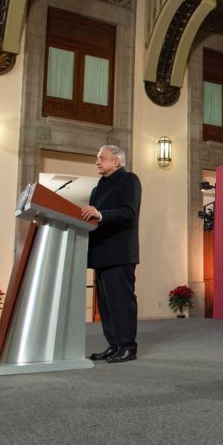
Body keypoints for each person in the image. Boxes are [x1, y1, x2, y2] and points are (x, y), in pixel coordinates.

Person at [82, 145, 142, 363]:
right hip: (100, 253)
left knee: (121, 302)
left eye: (101, 158)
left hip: (120, 252)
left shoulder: (129, 180)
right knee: (106, 305)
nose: (97, 162)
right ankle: (114, 344)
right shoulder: (98, 187)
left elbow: (128, 212)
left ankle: (127, 346)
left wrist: (100, 214)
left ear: (116, 161)